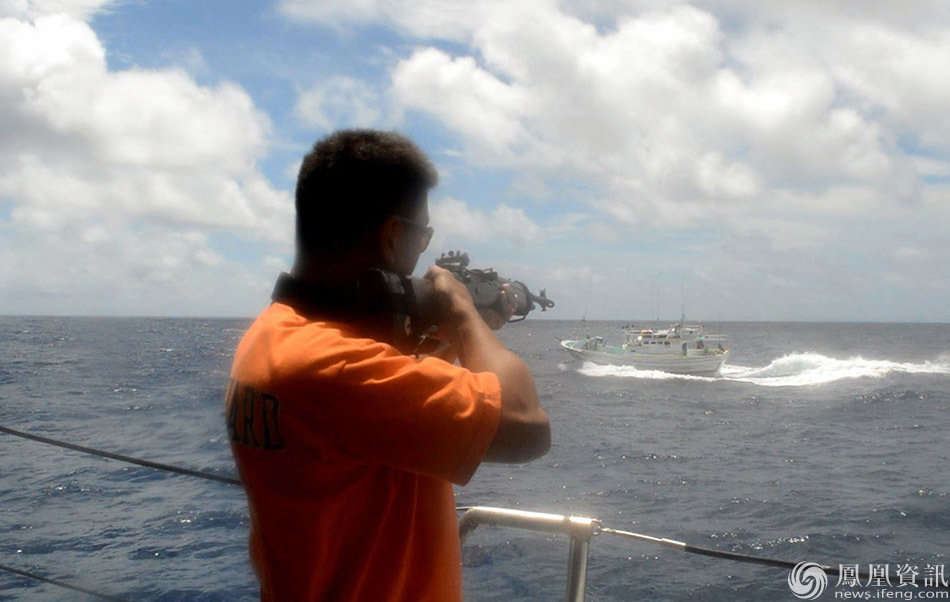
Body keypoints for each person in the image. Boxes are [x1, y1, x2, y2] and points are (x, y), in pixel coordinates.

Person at [226, 129, 550, 601]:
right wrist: (461, 313)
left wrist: (457, 334)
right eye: (423, 236)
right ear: (394, 234)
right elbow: (526, 426)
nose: (422, 254)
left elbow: (374, 420)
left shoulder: (272, 336)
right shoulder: (334, 369)